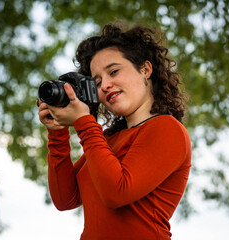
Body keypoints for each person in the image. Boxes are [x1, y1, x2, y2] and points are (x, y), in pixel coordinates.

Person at [38, 21, 191, 240]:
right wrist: (58, 132)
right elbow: (65, 199)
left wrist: (83, 122)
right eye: (97, 82)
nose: (105, 85)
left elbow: (117, 192)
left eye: (114, 71)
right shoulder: (106, 140)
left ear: (146, 69)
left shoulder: (167, 129)